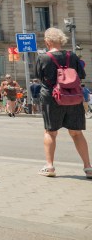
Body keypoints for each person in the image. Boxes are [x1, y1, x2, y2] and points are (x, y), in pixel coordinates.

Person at [34, 27, 92, 178]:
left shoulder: (43, 57)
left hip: (52, 97)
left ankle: (50, 167)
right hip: (73, 96)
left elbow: (40, 77)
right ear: (61, 41)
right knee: (77, 133)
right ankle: (88, 167)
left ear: (47, 41)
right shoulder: (72, 56)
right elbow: (81, 74)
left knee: (50, 132)